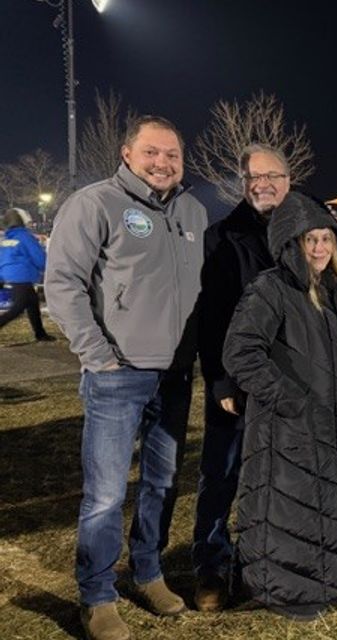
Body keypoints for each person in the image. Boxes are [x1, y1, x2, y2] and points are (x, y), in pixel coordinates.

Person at [44, 115, 207, 640]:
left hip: (176, 375)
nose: (163, 163)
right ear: (128, 153)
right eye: (153, 152)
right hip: (117, 375)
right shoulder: (95, 203)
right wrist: (98, 355)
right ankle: (96, 596)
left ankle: (149, 571)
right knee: (107, 493)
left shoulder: (194, 210)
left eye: (173, 154)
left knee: (162, 483)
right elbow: (63, 282)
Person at [221, 192, 337, 619]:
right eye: (311, 240)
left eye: (326, 239)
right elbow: (240, 353)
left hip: (329, 421)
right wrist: (290, 400)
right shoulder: (270, 289)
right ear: (291, 243)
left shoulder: (333, 291)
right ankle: (289, 593)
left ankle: (330, 584)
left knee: (322, 502)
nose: (320, 248)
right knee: (288, 508)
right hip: (287, 426)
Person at [192, 143, 291, 611]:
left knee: (277, 476)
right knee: (223, 473)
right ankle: (211, 564)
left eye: (273, 175)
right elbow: (211, 317)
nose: (263, 183)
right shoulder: (222, 236)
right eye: (254, 176)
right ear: (243, 182)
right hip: (236, 380)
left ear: (288, 180)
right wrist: (221, 380)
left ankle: (260, 564)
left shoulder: (305, 232)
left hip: (289, 380)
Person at [0, 207, 55, 341]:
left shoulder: (7, 238)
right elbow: (37, 255)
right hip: (22, 275)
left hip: (10, 275)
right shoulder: (24, 236)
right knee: (18, 308)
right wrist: (47, 267)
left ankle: (40, 333)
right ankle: (40, 334)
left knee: (32, 303)